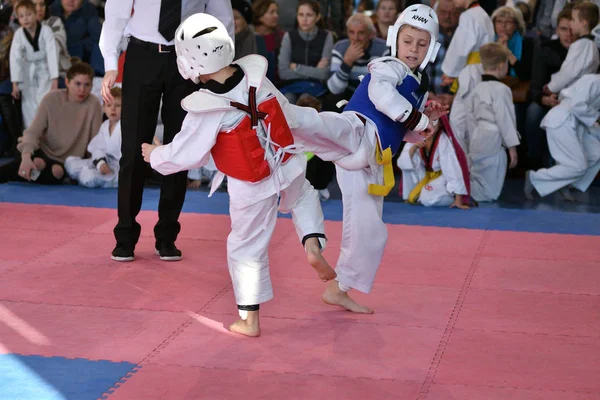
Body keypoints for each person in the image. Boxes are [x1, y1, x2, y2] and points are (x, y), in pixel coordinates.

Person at [141, 14, 337, 337]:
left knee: (245, 247)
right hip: (286, 164)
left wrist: (155, 155)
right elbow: (285, 111)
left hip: (251, 185)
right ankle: (312, 244)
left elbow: (186, 153)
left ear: (190, 62)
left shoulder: (207, 105)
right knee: (304, 195)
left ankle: (250, 321)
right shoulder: (255, 75)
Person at [291, 5, 448, 313]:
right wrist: (416, 118)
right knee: (324, 126)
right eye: (408, 41)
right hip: (357, 129)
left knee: (371, 229)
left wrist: (425, 122)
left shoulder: (418, 83)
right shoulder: (388, 66)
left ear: (432, 48)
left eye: (421, 43)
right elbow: (380, 95)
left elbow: (403, 130)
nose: (413, 49)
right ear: (395, 39)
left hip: (371, 160)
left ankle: (340, 287)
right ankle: (278, 117)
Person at [99, 0, 234, 262]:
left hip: (190, 57)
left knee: (180, 148)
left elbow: (222, 20)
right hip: (141, 55)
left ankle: (167, 235)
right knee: (132, 150)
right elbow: (115, 14)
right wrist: (110, 64)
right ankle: (125, 234)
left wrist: (220, 66)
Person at [0, 60, 102, 184]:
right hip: (40, 150)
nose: (82, 89)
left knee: (56, 172)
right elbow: (33, 131)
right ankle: (7, 173)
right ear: (67, 82)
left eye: (87, 85)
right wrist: (26, 156)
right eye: (78, 84)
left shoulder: (94, 104)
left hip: (65, 161)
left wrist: (92, 165)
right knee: (38, 162)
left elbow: (95, 140)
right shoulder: (52, 98)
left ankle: (20, 174)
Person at [525, 74, 600, 201]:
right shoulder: (593, 81)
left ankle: (565, 182)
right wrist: (596, 117)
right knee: (578, 166)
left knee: (596, 154)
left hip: (577, 125)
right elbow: (577, 105)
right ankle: (534, 178)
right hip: (562, 121)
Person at [465, 43, 520, 202]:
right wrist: (512, 148)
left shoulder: (477, 89)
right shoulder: (502, 89)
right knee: (491, 190)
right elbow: (505, 119)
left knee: (477, 173)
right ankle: (460, 192)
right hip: (494, 137)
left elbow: (470, 117)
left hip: (478, 135)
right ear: (502, 65)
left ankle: (461, 189)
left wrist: (472, 140)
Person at [398, 114, 471, 208]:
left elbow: (452, 168)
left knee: (426, 199)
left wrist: (459, 199)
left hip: (442, 177)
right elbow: (402, 164)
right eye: (427, 120)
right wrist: (414, 148)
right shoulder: (415, 137)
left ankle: (451, 197)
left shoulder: (443, 140)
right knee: (408, 167)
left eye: (434, 121)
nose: (430, 124)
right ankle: (416, 195)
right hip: (424, 175)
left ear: (441, 123)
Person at [10, 0, 58, 128]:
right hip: (27, 72)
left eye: (29, 14)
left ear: (36, 14)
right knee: (28, 106)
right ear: (18, 19)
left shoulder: (46, 30)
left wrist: (55, 78)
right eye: (21, 16)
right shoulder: (18, 35)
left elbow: (52, 54)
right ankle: (31, 138)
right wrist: (15, 83)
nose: (25, 19)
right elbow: (15, 58)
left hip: (45, 70)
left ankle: (47, 136)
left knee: (45, 102)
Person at [64, 86, 122, 188]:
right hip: (102, 162)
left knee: (88, 177)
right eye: (109, 105)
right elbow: (96, 147)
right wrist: (100, 163)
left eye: (117, 105)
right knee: (70, 162)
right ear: (104, 108)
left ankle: (106, 181)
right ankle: (93, 176)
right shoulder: (105, 125)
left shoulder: (125, 126)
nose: (113, 109)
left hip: (116, 167)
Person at [440, 0, 494, 93]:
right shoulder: (483, 14)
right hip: (484, 70)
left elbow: (460, 48)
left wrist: (449, 72)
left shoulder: (469, 16)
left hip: (470, 73)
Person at [546, 1, 599, 95]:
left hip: (575, 96)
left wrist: (551, 87)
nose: (570, 23)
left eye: (573, 20)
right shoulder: (590, 44)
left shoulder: (582, 45)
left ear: (583, 23)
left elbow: (568, 72)